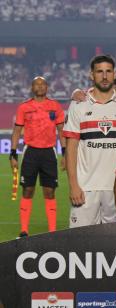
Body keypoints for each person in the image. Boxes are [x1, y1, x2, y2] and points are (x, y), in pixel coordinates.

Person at [63, 55, 116, 228]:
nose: (104, 76)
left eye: (108, 71)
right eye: (100, 72)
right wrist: (73, 185)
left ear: (114, 74)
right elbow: (71, 149)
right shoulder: (78, 106)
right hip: (85, 188)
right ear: (92, 75)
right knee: (80, 244)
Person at [10, 76, 65, 237]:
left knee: (50, 191)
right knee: (28, 190)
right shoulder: (24, 107)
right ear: (32, 87)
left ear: (47, 87)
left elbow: (61, 130)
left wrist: (65, 153)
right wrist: (13, 154)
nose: (40, 87)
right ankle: (24, 230)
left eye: (42, 84)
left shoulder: (54, 106)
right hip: (31, 152)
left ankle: (52, 231)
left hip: (49, 152)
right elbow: (17, 131)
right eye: (36, 84)